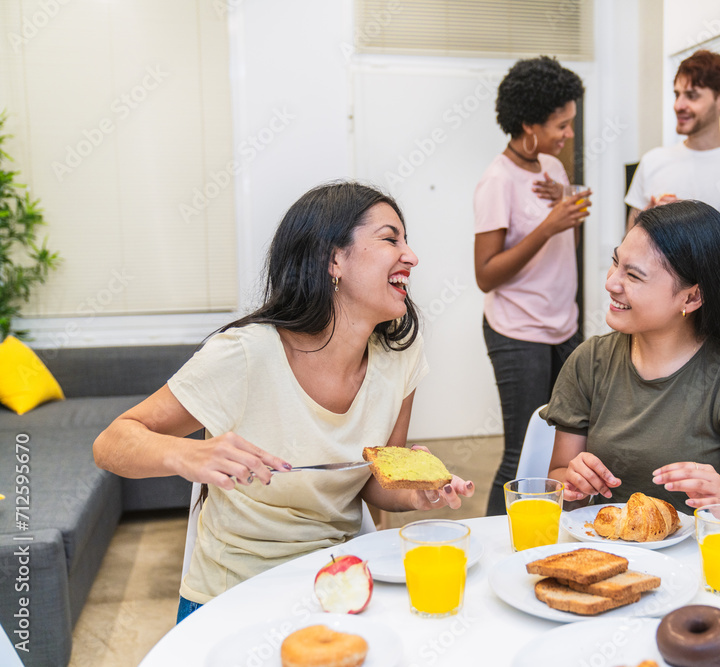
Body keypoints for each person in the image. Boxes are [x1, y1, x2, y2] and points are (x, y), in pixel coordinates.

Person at [93, 182, 474, 620]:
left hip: (340, 584)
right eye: (391, 239)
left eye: (406, 240)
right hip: (235, 595)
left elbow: (373, 479)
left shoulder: (401, 355)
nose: (411, 255)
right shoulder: (245, 354)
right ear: (334, 259)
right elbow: (111, 443)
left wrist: (416, 493)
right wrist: (190, 453)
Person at [544, 200, 720, 530]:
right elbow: (557, 477)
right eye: (615, 263)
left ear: (691, 298)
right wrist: (572, 485)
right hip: (606, 557)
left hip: (695, 569)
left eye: (633, 275)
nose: (611, 283)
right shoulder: (589, 362)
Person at [473, 56, 590, 516]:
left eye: (571, 123)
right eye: (561, 125)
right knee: (522, 458)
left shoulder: (553, 169)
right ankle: (495, 548)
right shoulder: (495, 181)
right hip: (517, 331)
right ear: (528, 124)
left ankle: (548, 540)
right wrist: (549, 224)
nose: (569, 135)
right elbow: (486, 273)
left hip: (565, 326)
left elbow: (566, 242)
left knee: (567, 451)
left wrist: (567, 204)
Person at [624, 50, 720, 276]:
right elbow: (629, 250)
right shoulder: (652, 162)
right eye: (677, 94)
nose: (678, 105)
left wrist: (695, 224)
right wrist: (651, 221)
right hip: (660, 308)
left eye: (692, 96)